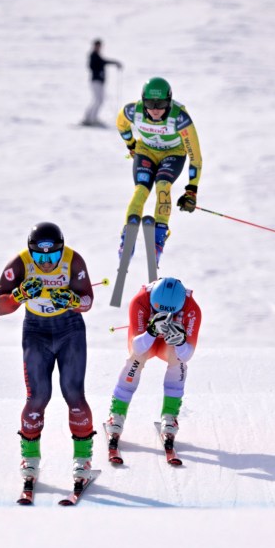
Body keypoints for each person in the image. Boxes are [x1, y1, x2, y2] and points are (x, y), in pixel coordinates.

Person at [0, 222, 97, 485]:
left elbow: (88, 301)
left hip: (69, 330)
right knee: (38, 397)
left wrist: (72, 301)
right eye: (40, 257)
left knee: (73, 394)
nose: (47, 262)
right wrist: (18, 294)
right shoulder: (20, 263)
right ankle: (30, 460)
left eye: (53, 256)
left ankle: (82, 460)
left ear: (61, 251)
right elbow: (0, 307)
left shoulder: (73, 260)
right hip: (36, 332)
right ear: (31, 252)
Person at [104, 277, 202, 453]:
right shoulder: (140, 300)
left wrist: (180, 342)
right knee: (136, 358)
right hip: (145, 341)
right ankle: (116, 414)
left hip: (167, 345)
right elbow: (136, 346)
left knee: (178, 361)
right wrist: (151, 331)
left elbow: (187, 355)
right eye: (158, 309)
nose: (164, 315)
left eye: (170, 312)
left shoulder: (192, 309)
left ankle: (170, 417)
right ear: (152, 301)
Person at [115, 77, 203, 266]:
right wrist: (131, 144)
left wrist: (191, 190)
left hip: (174, 153)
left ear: (169, 101)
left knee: (163, 186)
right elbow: (121, 123)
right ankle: (127, 240)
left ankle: (158, 240)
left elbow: (195, 157)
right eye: (150, 104)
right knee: (140, 190)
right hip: (146, 150)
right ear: (143, 101)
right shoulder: (133, 111)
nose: (155, 110)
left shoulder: (180, 119)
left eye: (161, 104)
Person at [82, 39, 122, 127]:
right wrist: (113, 63)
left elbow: (104, 62)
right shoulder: (93, 55)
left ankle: (89, 118)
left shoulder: (98, 56)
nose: (99, 47)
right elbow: (93, 65)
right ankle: (91, 119)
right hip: (95, 81)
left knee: (98, 100)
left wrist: (115, 63)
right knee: (98, 100)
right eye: (97, 45)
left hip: (99, 82)